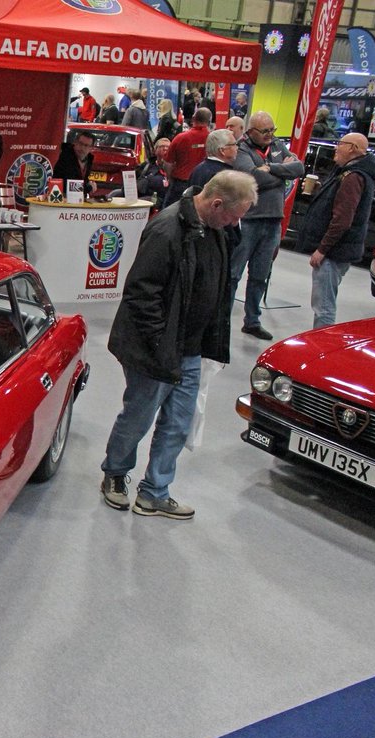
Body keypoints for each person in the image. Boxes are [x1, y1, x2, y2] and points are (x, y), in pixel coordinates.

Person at [100, 171, 258, 519]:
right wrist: (160, 342)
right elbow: (142, 294)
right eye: (233, 215)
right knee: (139, 415)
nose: (236, 223)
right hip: (155, 349)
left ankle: (155, 491)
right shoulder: (167, 230)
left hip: (190, 350)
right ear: (216, 204)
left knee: (178, 422)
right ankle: (114, 473)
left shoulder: (216, 230)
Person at [295, 133, 375, 328]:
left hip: (334, 253)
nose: (336, 148)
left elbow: (343, 219)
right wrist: (323, 188)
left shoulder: (353, 176)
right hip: (339, 250)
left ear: (352, 148)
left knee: (324, 306)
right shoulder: (349, 172)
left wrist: (322, 249)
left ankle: (321, 346)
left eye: (340, 144)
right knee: (324, 303)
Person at [230, 111, 304, 340]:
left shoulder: (278, 144)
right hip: (249, 221)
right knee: (233, 274)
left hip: (273, 222)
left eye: (272, 130)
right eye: (265, 131)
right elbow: (251, 179)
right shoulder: (242, 149)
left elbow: (299, 169)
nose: (270, 135)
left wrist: (270, 168)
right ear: (251, 132)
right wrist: (282, 172)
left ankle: (252, 321)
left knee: (260, 276)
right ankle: (219, 316)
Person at [163, 107, 212, 207]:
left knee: (170, 213)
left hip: (180, 185)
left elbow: (168, 163)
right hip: (204, 186)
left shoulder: (181, 138)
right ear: (209, 121)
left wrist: (170, 178)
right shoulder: (213, 138)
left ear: (193, 119)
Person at [53, 130, 95, 194]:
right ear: (75, 142)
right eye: (80, 143)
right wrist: (89, 187)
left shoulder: (88, 159)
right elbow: (70, 185)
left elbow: (82, 179)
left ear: (91, 148)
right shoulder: (65, 156)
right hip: (63, 198)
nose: (82, 148)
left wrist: (89, 183)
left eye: (86, 145)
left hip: (79, 199)